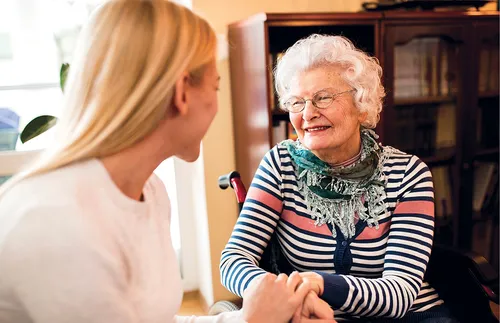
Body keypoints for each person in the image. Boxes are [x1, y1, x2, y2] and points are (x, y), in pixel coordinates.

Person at [0, 2, 336, 323]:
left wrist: (252, 317)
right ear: (182, 93)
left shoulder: (149, 191)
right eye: (215, 86)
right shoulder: (56, 222)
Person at [220, 34, 458, 322]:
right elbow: (233, 260)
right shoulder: (280, 164)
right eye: (296, 102)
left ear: (362, 103)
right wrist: (286, 294)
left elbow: (399, 295)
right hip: (314, 314)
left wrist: (317, 284)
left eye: (323, 98)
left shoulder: (409, 173)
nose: (307, 113)